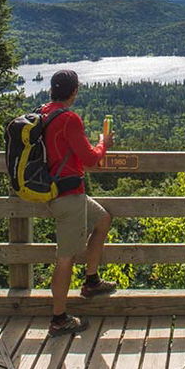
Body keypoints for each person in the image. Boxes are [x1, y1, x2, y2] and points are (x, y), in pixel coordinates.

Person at [43, 69, 115, 337]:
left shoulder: (43, 113)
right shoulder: (69, 119)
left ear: (52, 89)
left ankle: (92, 280)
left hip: (53, 191)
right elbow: (89, 158)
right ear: (74, 92)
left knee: (102, 219)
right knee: (65, 258)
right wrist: (103, 144)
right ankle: (59, 319)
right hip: (68, 196)